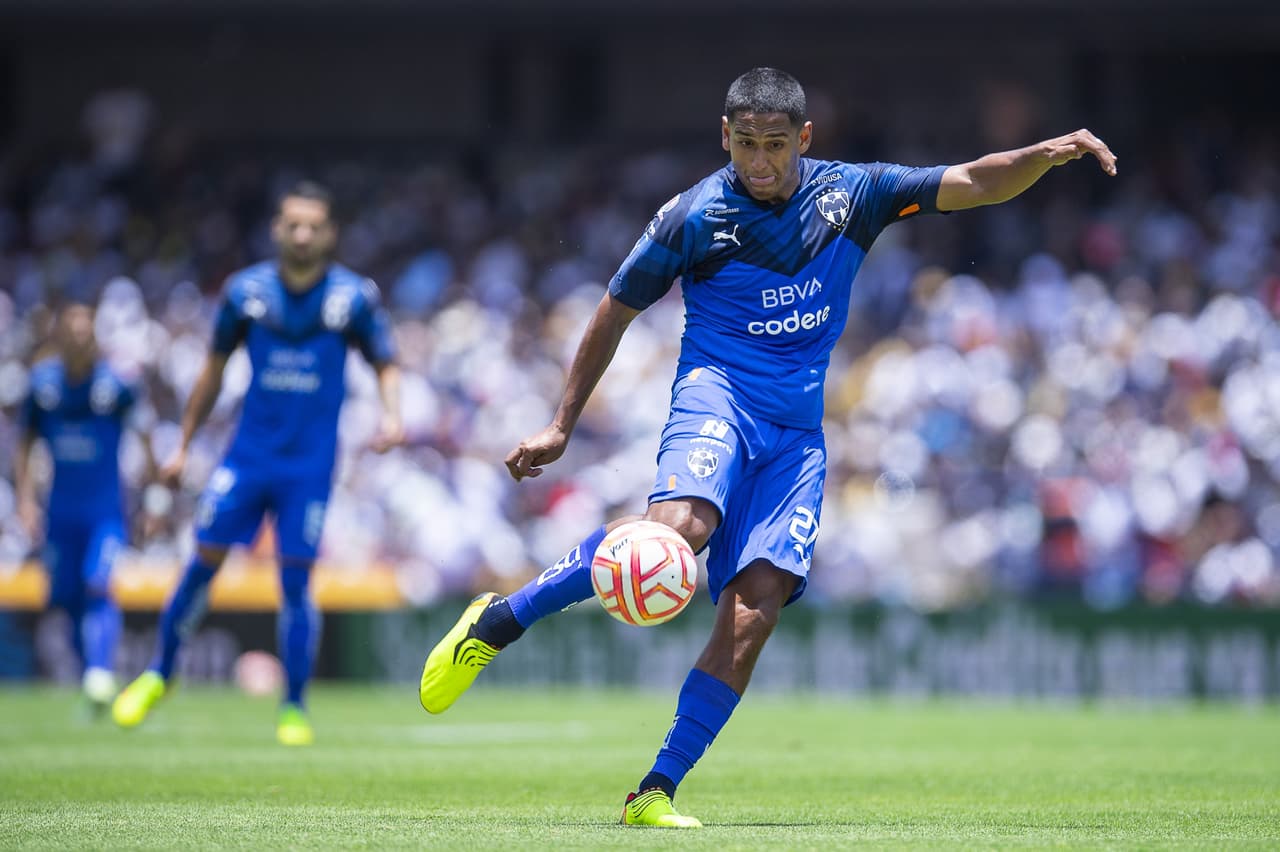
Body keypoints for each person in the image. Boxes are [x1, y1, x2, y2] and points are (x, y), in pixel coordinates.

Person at [418, 68, 1117, 826]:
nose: (759, 161)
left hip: (796, 439)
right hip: (716, 399)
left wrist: (1040, 156)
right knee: (678, 532)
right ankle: (498, 623)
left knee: (753, 614)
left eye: (774, 146)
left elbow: (976, 180)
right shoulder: (693, 216)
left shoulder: (854, 196)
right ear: (725, 137)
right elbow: (613, 312)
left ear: (803, 139)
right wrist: (561, 423)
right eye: (745, 144)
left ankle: (653, 793)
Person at [112, 181, 404, 745]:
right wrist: (182, 446)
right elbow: (213, 369)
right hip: (246, 460)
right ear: (276, 229)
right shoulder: (245, 293)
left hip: (309, 469)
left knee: (295, 584)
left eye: (313, 226)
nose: (301, 234)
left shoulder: (353, 298)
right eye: (292, 224)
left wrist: (393, 416)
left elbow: (385, 363)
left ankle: (293, 707)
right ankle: (159, 673)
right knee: (202, 561)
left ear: (330, 233)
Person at [15, 297, 154, 712]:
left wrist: (152, 498)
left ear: (94, 333)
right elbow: (24, 442)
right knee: (67, 597)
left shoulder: (118, 385)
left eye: (85, 327)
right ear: (60, 333)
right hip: (60, 512)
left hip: (106, 511)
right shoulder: (42, 385)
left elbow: (144, 436)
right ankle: (89, 675)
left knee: (99, 582)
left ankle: (99, 673)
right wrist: (25, 499)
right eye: (71, 327)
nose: (78, 334)